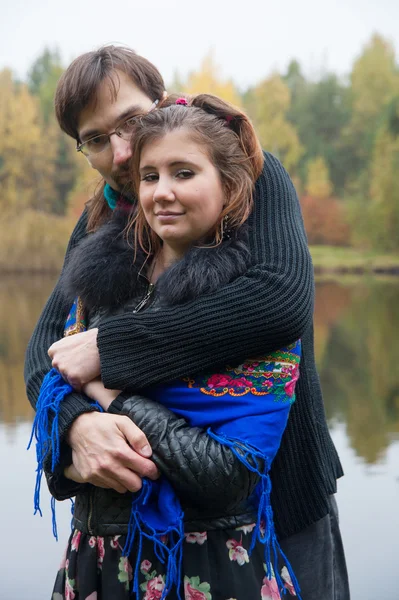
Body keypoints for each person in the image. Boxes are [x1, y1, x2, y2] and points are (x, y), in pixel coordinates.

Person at [24, 46, 349, 599]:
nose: (121, 152)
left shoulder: (253, 177)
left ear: (160, 103)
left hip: (278, 497)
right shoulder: (99, 218)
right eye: (96, 139)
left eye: (130, 122)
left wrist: (111, 353)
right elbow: (46, 353)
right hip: (130, 526)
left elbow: (278, 302)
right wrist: (79, 422)